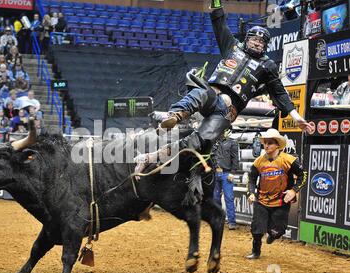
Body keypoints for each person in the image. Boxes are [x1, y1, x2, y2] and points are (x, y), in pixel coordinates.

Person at [134, 0, 313, 175]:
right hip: (213, 95)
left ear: (266, 46)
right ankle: (175, 115)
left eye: (262, 41)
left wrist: (296, 118)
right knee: (201, 93)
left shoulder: (268, 66)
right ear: (247, 39)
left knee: (198, 142)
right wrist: (216, 3)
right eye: (254, 39)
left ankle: (151, 157)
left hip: (227, 112)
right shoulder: (232, 46)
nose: (257, 43)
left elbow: (280, 93)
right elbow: (220, 23)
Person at [246, 129, 307, 259]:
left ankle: (273, 234)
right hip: (262, 200)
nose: (266, 146)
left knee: (279, 230)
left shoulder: (288, 160)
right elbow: (251, 179)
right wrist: (251, 193)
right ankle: (256, 252)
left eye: (270, 143)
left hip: (281, 200)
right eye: (265, 143)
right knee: (257, 229)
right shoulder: (258, 162)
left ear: (277, 145)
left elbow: (303, 175)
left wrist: (293, 190)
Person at [212, 127, 239, 230]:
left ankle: (231, 222)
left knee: (229, 198)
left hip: (226, 173)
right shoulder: (214, 142)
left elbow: (235, 158)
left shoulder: (232, 143)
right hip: (215, 173)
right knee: (215, 198)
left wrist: (233, 172)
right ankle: (218, 220)